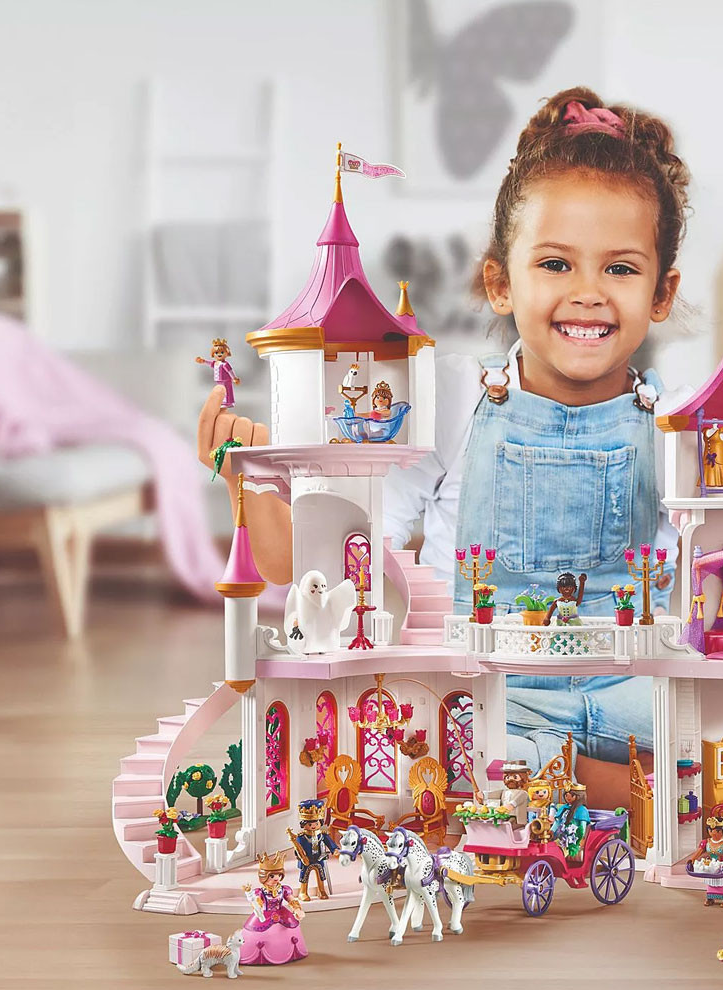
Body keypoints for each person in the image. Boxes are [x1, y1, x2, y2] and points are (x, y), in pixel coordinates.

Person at [196, 86, 689, 802]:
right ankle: (629, 793)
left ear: (661, 294)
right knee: (417, 733)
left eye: (620, 268)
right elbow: (317, 566)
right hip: (491, 695)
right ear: (500, 282)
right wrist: (251, 483)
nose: (588, 292)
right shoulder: (451, 399)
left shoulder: (677, 423)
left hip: (631, 694)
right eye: (555, 264)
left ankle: (591, 785)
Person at [239, 850, 306, 964]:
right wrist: (256, 905)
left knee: (289, 930)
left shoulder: (284, 889)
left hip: (282, 913)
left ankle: (285, 952)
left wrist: (297, 909)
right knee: (260, 934)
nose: (276, 878)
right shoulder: (260, 892)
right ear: (264, 877)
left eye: (279, 875)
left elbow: (291, 900)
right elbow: (258, 903)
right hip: (265, 913)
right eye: (272, 876)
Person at [287, 798, 338, 901]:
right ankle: (303, 892)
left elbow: (330, 843)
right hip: (307, 859)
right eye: (310, 824)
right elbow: (298, 849)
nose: (313, 826)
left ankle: (321, 890)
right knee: (304, 875)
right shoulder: (301, 837)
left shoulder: (322, 835)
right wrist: (301, 856)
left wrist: (335, 850)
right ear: (304, 824)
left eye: (316, 823)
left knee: (321, 874)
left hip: (319, 858)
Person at [688, 810, 723, 907]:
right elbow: (699, 852)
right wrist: (692, 860)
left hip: (721, 866)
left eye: (717, 831)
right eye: (710, 830)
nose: (713, 833)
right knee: (710, 883)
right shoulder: (706, 842)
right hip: (710, 865)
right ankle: (710, 897)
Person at [482, 759, 532, 825]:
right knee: (494, 822)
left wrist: (511, 805)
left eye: (515, 777)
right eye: (508, 777)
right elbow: (493, 794)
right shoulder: (504, 792)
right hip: (503, 816)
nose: (510, 779)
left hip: (517, 819)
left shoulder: (523, 793)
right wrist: (483, 795)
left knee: (508, 824)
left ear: (523, 778)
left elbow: (516, 800)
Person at [195, 338, 240, 407]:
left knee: (227, 391)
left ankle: (229, 402)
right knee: (221, 391)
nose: (219, 354)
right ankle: (222, 401)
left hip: (226, 380)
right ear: (213, 354)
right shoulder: (216, 363)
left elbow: (230, 371)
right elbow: (209, 363)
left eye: (222, 352)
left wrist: (234, 378)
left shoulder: (225, 364)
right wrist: (203, 361)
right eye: (216, 353)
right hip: (219, 380)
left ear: (227, 353)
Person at [551, 782, 591, 858]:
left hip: (573, 836)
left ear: (579, 796)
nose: (568, 797)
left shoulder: (582, 810)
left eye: (572, 795)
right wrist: (552, 831)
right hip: (561, 834)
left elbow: (582, 826)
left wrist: (581, 837)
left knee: (564, 850)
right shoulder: (563, 808)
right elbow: (557, 822)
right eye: (566, 795)